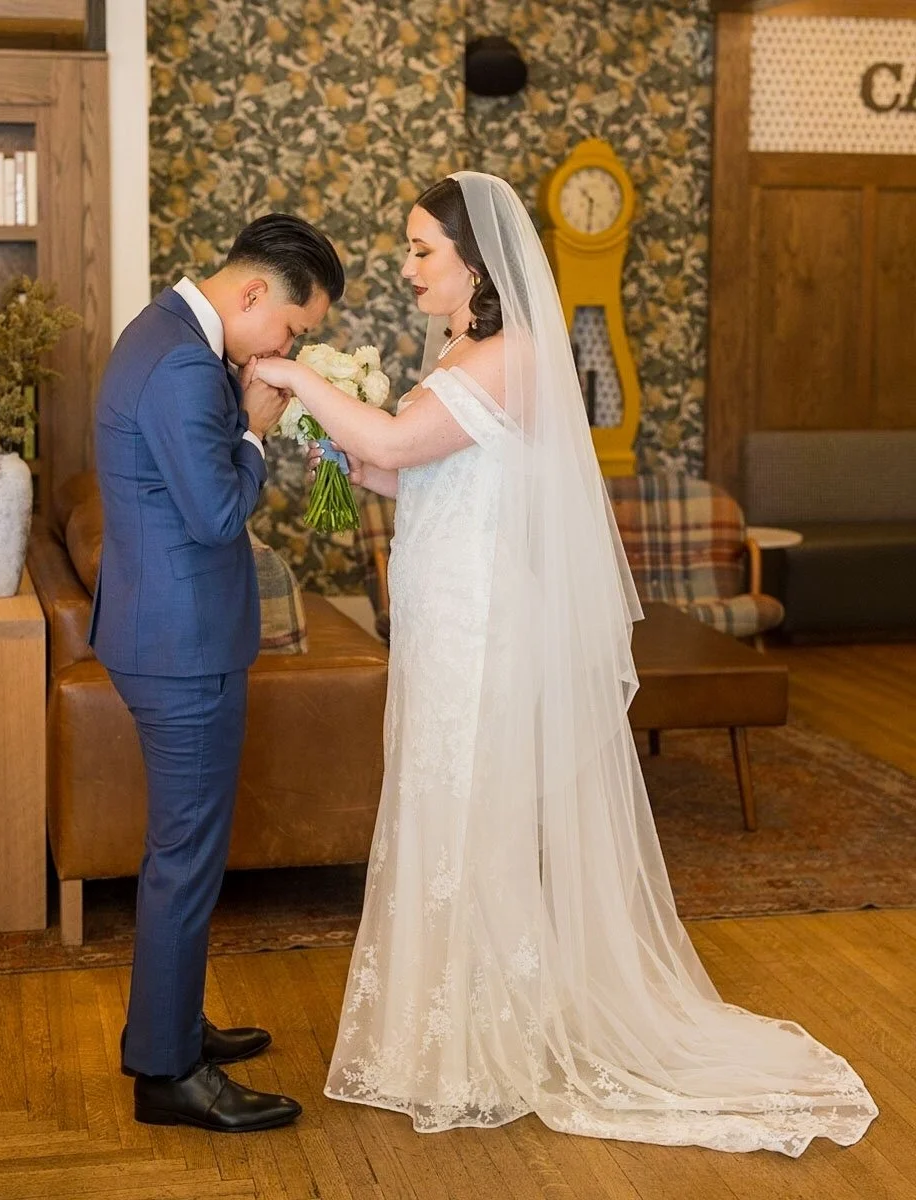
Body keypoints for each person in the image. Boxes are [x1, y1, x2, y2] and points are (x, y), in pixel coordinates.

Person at [251, 174, 877, 1154]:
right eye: (411, 249)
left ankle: (497, 1037)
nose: (408, 267)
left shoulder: (517, 355)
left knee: (477, 814)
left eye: (423, 250)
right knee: (439, 807)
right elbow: (394, 465)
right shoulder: (461, 350)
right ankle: (449, 1035)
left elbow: (400, 434)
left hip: (486, 622)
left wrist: (301, 383)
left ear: (476, 260)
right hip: (439, 617)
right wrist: (332, 443)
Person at [91, 213, 344, 1132]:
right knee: (185, 860)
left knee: (184, 855)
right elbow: (214, 512)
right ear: (251, 296)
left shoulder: (162, 332)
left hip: (168, 635)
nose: (288, 347)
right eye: (294, 327)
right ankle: (167, 1074)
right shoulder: (188, 367)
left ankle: (173, 1027)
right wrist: (255, 432)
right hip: (181, 647)